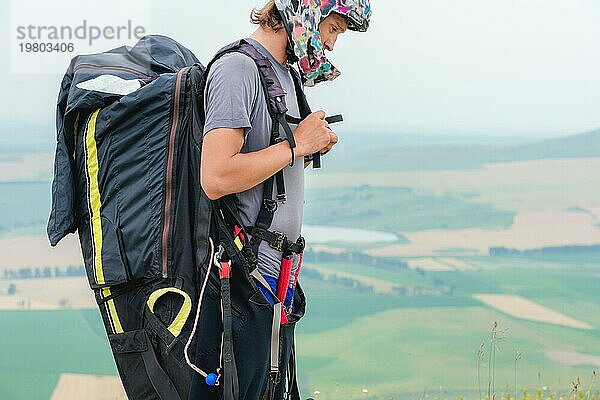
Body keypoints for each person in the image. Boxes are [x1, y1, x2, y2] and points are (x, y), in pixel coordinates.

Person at [196, 0, 371, 398]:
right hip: (242, 279)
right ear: (306, 11)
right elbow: (216, 176)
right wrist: (295, 145)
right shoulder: (236, 70)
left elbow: (267, 169)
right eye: (335, 28)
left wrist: (308, 149)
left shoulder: (286, 77)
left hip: (278, 281)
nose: (332, 43)